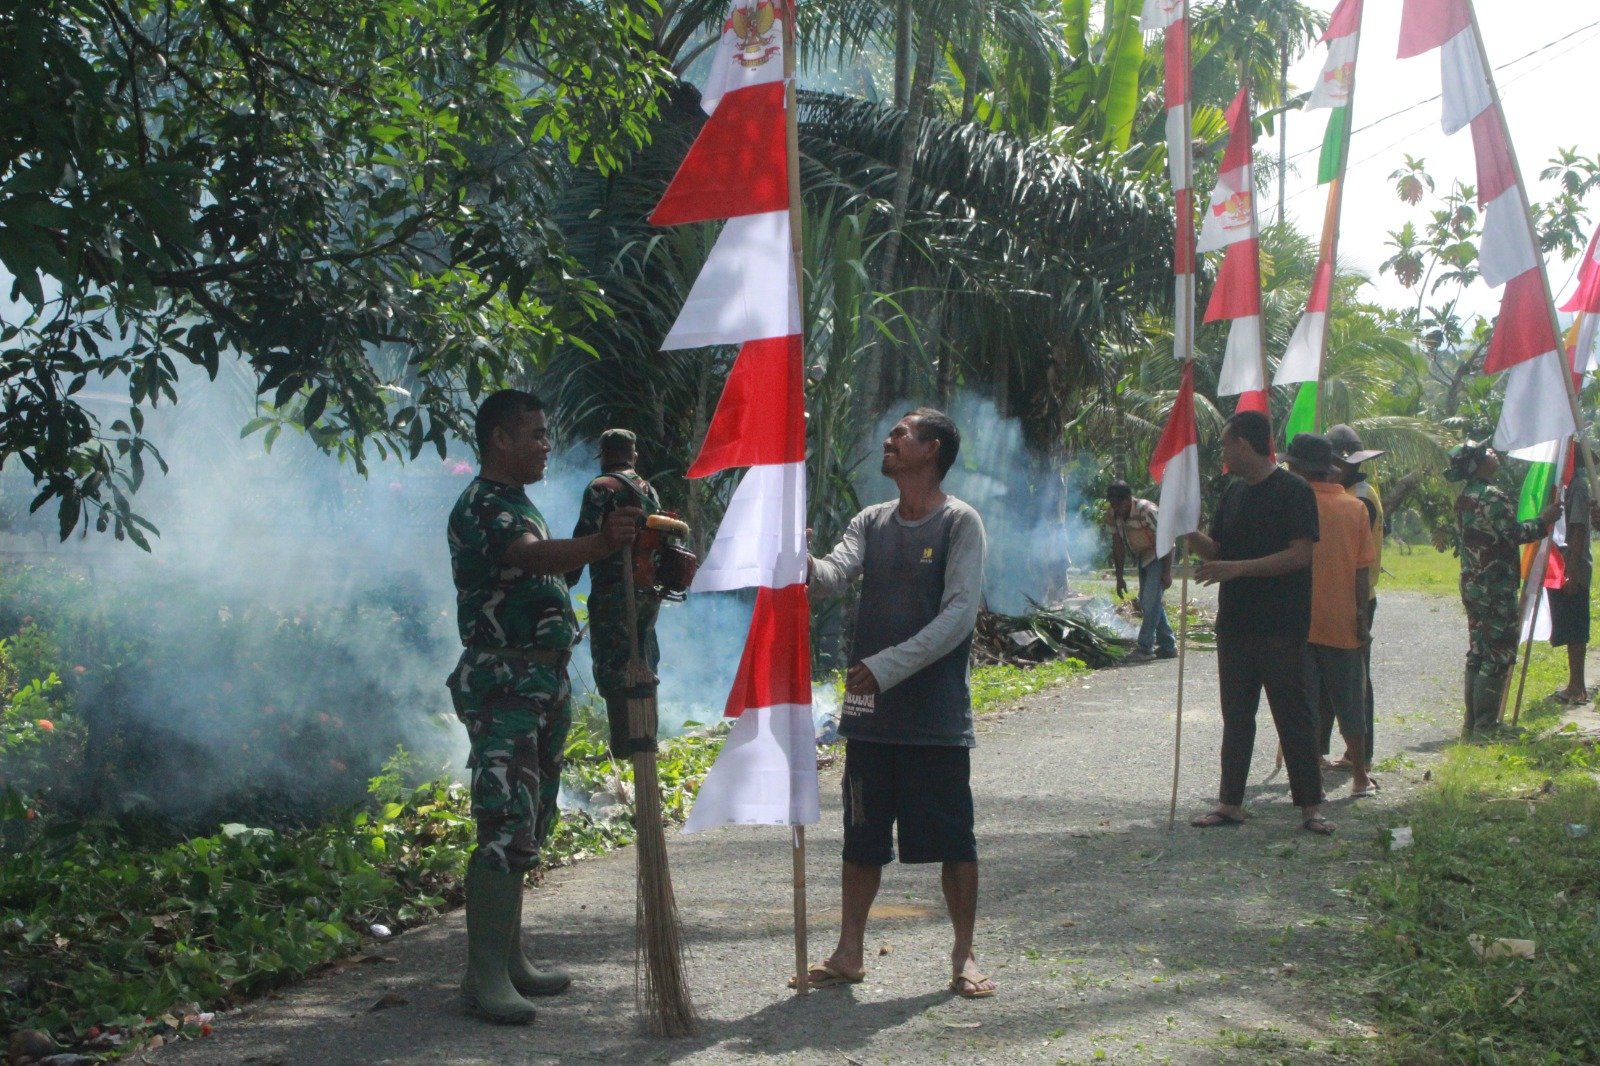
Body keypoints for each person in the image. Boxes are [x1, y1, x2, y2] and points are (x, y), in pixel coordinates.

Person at [447, 390, 641, 1024]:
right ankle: (483, 977)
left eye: (545, 433)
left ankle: (509, 961)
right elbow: (532, 557)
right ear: (499, 439)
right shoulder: (484, 505)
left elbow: (552, 572)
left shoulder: (517, 503)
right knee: (505, 820)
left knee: (530, 821)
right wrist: (598, 544)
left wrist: (608, 547)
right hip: (505, 685)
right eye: (533, 434)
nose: (545, 445)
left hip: (539, 682)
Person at [804, 408, 993, 998]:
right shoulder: (871, 521)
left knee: (954, 842)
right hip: (870, 719)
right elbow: (830, 576)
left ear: (932, 449)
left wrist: (885, 668)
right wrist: (797, 560)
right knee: (861, 838)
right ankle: (849, 952)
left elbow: (958, 617)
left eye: (902, 434)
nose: (889, 440)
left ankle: (964, 955)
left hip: (935, 719)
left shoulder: (960, 523)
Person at [1186, 410, 1333, 835]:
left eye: (1226, 444)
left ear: (1244, 444)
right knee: (1237, 716)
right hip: (1235, 624)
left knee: (1293, 715)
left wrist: (1239, 570)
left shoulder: (1294, 491)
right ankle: (1230, 802)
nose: (1223, 452)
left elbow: (1300, 555)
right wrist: (1187, 533)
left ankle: (1311, 807)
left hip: (1281, 625)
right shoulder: (1233, 494)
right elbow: (1218, 551)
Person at [1286, 434, 1378, 799]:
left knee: (1306, 705)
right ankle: (1359, 776)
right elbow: (1361, 570)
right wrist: (1361, 616)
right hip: (1342, 619)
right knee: (1350, 701)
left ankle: (1314, 781)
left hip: (1298, 621)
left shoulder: (1291, 504)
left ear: (1297, 469)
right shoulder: (1355, 508)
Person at [1446, 441, 1558, 736]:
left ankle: (1472, 724)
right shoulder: (1492, 496)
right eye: (1486, 453)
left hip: (1474, 583)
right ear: (1477, 463)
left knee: (1479, 650)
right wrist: (1544, 521)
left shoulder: (1466, 496)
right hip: (1495, 585)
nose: (1493, 453)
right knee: (1497, 652)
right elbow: (1513, 534)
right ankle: (1486, 727)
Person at [566, 429, 663, 757]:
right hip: (647, 592)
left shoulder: (600, 488)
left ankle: (623, 747)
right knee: (644, 661)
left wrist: (564, 581)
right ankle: (646, 740)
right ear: (633, 456)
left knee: (612, 666)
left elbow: (585, 537)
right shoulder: (649, 490)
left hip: (614, 594)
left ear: (604, 455)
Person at [1327, 424, 1385, 768]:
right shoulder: (1352, 493)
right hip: (1346, 594)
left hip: (1357, 596)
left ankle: (1361, 752)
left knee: (1356, 678)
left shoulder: (1359, 498)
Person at [1105, 480, 1177, 662]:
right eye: (1112, 504)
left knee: (1149, 601)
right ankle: (1168, 645)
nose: (1115, 508)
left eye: (1118, 504)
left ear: (1128, 499)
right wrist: (1119, 578)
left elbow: (1168, 539)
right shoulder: (1113, 514)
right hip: (1143, 557)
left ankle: (1145, 647)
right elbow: (1118, 545)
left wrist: (1167, 572)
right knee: (1150, 602)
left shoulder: (1147, 510)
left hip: (1159, 555)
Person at [1548, 439, 1594, 705]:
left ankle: (1577, 686)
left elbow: (1577, 530)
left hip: (1572, 566)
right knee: (1567, 624)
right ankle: (1574, 684)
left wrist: (1571, 571)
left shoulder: (1577, 486)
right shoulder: (1562, 488)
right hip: (1563, 564)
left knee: (1576, 627)